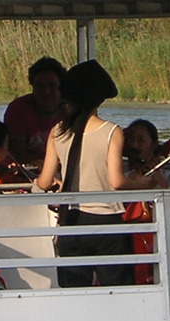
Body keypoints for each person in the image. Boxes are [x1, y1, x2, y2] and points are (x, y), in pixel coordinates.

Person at [34, 60, 131, 288]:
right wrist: (143, 182)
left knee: (74, 292)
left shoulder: (57, 131)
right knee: (117, 292)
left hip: (70, 221)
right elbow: (116, 182)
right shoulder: (111, 131)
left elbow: (44, 181)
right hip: (106, 222)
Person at [5, 56, 64, 168]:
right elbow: (17, 155)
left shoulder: (70, 109)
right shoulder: (18, 109)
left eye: (51, 85)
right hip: (24, 170)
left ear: (61, 86)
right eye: (39, 86)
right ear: (32, 86)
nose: (46, 92)